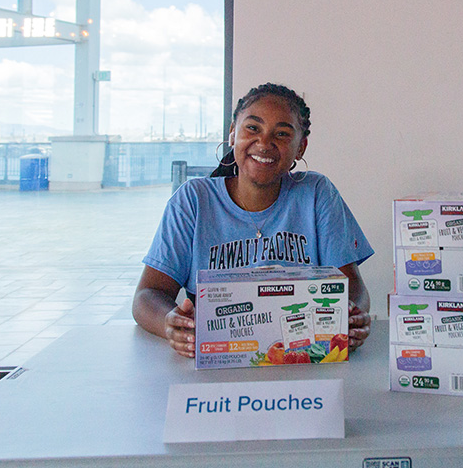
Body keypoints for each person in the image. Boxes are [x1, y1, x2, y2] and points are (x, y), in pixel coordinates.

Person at [132, 83, 374, 358]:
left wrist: (353, 317)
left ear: (300, 147)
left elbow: (352, 288)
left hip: (303, 359)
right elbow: (147, 295)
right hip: (217, 362)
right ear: (232, 133)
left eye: (282, 134)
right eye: (252, 128)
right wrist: (171, 324)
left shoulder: (317, 194)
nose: (264, 143)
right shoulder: (193, 200)